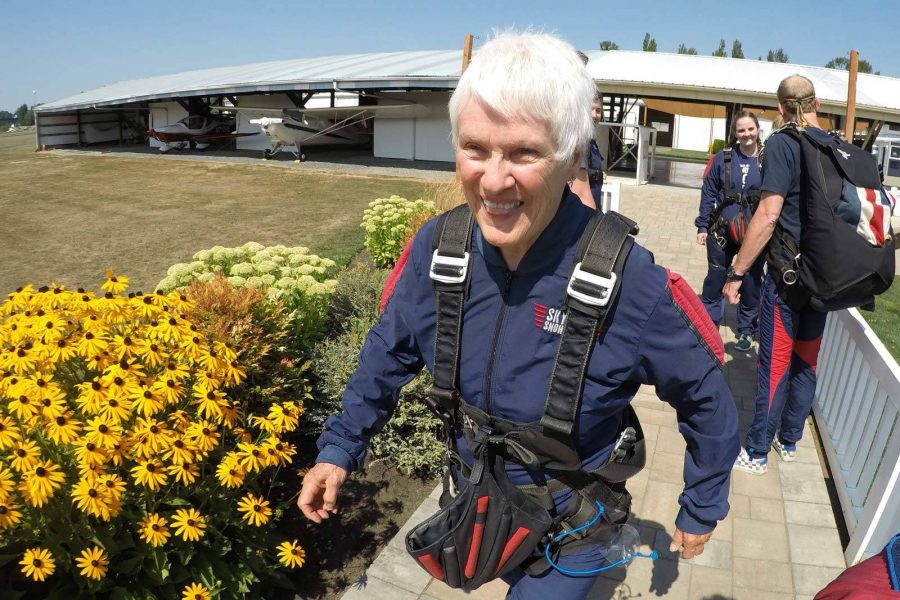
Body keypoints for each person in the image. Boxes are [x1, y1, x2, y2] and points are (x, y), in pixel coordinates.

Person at [299, 31, 739, 599]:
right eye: (475, 148)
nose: (494, 180)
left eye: (525, 153)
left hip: (570, 526)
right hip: (478, 501)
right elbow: (389, 350)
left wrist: (701, 505)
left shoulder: (629, 281)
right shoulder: (441, 249)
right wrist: (340, 448)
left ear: (573, 157)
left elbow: (705, 396)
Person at [724, 75, 830, 474]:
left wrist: (737, 271)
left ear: (781, 108)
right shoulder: (836, 144)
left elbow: (768, 215)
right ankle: (789, 440)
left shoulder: (785, 144)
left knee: (776, 364)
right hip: (825, 277)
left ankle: (756, 452)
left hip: (789, 279)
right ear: (816, 102)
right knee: (807, 362)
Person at [695, 111, 764, 351]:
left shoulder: (767, 160)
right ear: (735, 133)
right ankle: (708, 324)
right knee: (715, 278)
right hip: (722, 231)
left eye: (750, 129)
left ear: (758, 130)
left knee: (752, 281)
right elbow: (708, 192)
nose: (746, 134)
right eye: (741, 130)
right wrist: (703, 225)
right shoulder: (723, 158)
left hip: (754, 235)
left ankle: (746, 329)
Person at [570, 90, 605, 209]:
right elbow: (580, 193)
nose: (595, 115)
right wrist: (596, 225)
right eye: (591, 110)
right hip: (585, 217)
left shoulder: (591, 142)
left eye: (598, 111)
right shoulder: (580, 142)